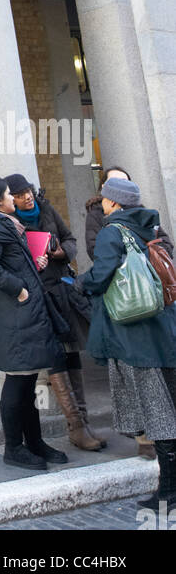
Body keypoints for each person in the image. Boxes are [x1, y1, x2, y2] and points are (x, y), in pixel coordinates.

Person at [0, 175, 69, 470]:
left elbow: (8, 262)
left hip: (26, 312)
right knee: (17, 381)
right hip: (16, 312)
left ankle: (35, 442)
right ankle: (14, 447)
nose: (13, 199)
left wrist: (34, 264)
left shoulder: (2, 224)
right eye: (9, 194)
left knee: (29, 379)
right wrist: (20, 289)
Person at [79, 176, 176, 512]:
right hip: (164, 330)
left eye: (105, 198)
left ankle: (168, 492)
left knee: (159, 414)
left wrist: (80, 282)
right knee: (170, 406)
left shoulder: (112, 232)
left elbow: (101, 275)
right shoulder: (152, 228)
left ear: (114, 202)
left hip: (136, 337)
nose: (102, 202)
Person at [6, 173, 104, 451]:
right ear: (10, 199)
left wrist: (61, 252)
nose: (26, 197)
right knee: (55, 357)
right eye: (19, 194)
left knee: (72, 355)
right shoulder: (11, 225)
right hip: (39, 296)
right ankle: (74, 425)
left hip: (62, 291)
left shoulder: (47, 209)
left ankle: (83, 423)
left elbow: (71, 240)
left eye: (27, 191)